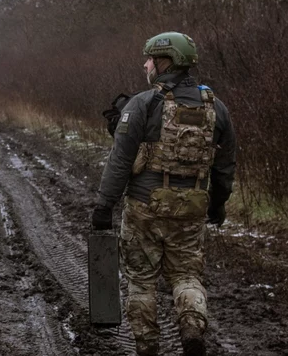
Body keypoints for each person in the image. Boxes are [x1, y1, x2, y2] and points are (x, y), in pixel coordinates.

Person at [90, 32, 236, 356]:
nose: (145, 64)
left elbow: (120, 161)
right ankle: (192, 331)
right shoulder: (217, 108)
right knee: (187, 276)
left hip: (145, 210)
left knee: (141, 281)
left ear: (164, 61)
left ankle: (147, 348)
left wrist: (104, 206)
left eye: (150, 59)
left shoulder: (142, 104)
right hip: (192, 210)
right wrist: (218, 204)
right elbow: (225, 165)